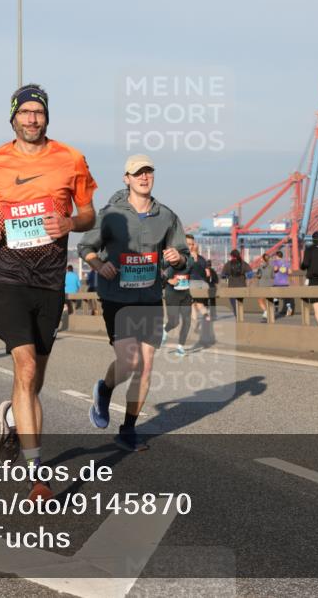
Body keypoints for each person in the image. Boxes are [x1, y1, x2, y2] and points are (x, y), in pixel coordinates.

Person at [0, 83, 97, 501]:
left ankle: (15, 419)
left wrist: (70, 224)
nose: (32, 119)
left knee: (36, 375)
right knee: (24, 368)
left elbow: (89, 212)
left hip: (50, 278)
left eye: (39, 112)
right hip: (6, 275)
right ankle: (37, 472)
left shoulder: (71, 158)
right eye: (25, 112)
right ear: (13, 117)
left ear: (46, 117)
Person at [78, 154, 187, 452]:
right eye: (137, 173)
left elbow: (182, 254)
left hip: (150, 297)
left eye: (148, 172)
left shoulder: (166, 216)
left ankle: (127, 430)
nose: (144, 177)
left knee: (147, 366)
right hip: (117, 298)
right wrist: (99, 265)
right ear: (126, 178)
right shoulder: (111, 214)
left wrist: (178, 259)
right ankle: (105, 388)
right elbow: (86, 246)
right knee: (130, 362)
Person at [220, 249, 252, 317]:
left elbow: (222, 276)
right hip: (242, 286)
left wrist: (227, 276)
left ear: (231, 256)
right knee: (240, 303)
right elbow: (250, 274)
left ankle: (237, 316)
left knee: (234, 304)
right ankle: (240, 317)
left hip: (232, 287)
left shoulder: (228, 264)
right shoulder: (244, 263)